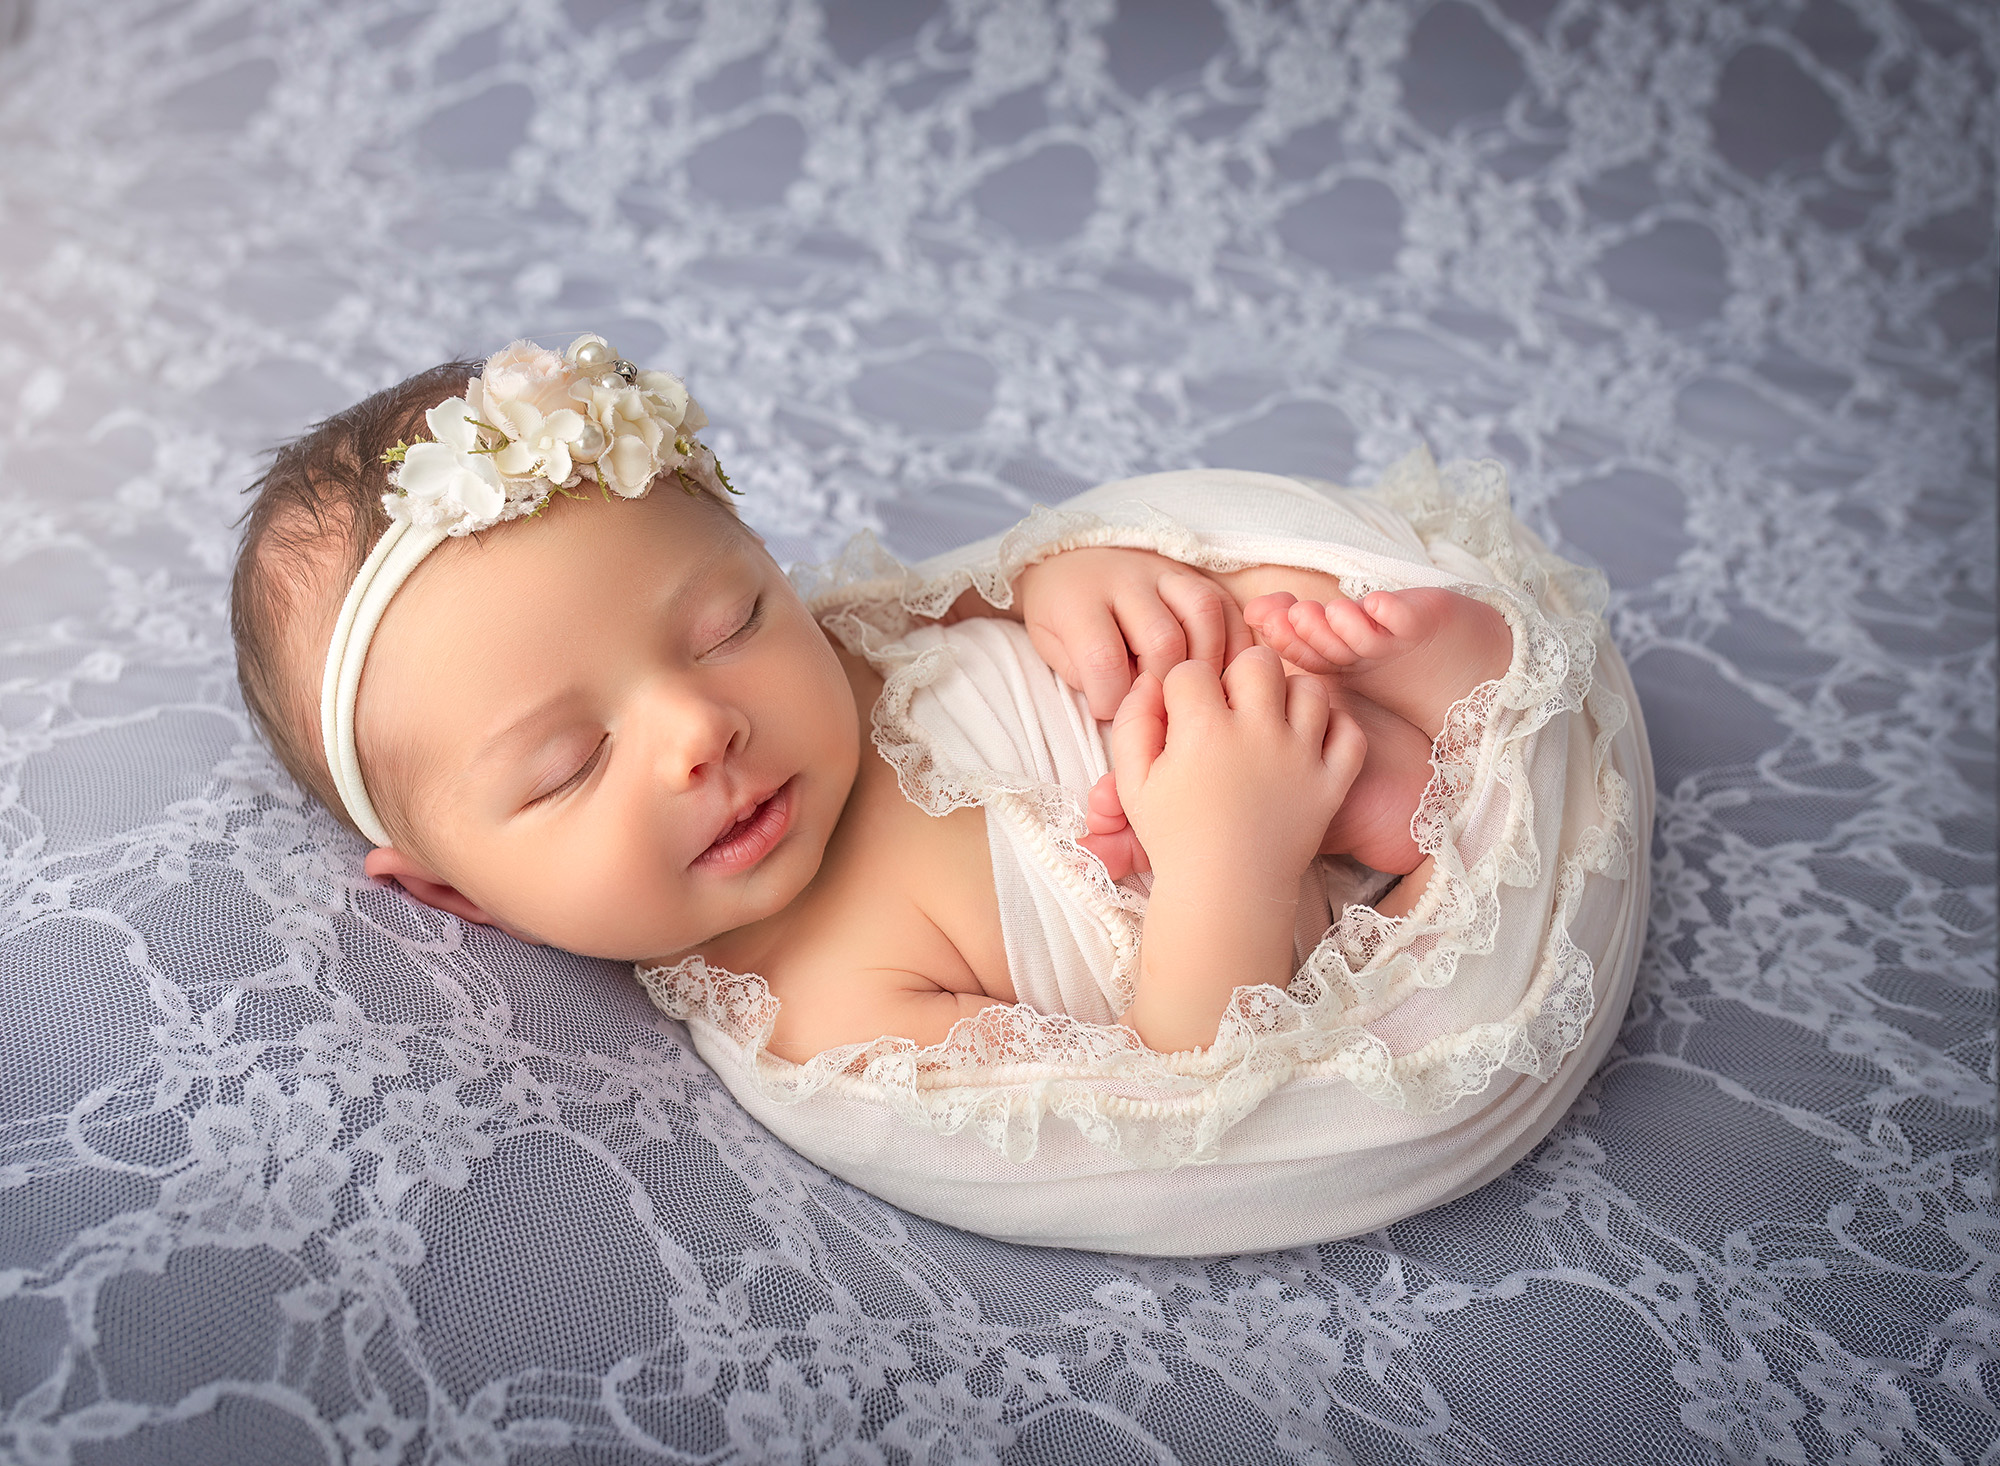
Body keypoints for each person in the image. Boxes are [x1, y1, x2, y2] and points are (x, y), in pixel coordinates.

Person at [232, 334, 1512, 1060]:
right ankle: (1392, 811)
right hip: (1242, 901)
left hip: (1218, 710)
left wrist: (1071, 582)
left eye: (729, 622)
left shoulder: (846, 652)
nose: (696, 728)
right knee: (1346, 915)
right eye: (568, 762)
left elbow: (981, 591)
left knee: (1231, 591)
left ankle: (1418, 704)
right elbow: (1172, 1096)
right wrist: (1230, 857)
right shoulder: (818, 1003)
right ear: (458, 893)